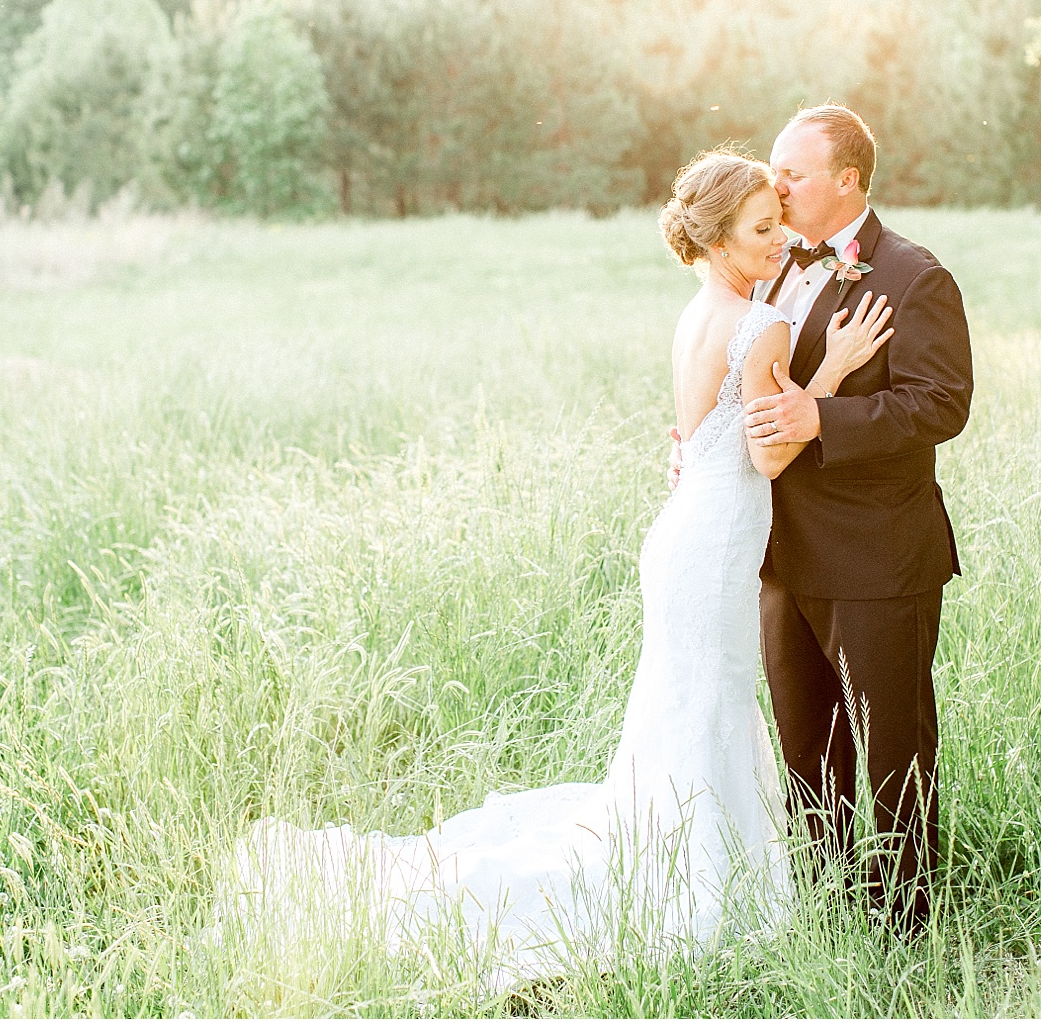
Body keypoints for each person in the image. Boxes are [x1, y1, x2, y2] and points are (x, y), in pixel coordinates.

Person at [223, 150, 894, 989]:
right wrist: (831, 367)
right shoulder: (760, 327)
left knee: (694, 702)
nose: (778, 241)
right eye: (760, 230)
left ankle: (695, 856)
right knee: (707, 701)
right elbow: (769, 448)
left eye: (777, 225)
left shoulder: (702, 311)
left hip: (685, 536)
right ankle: (697, 882)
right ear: (718, 237)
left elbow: (698, 439)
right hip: (717, 540)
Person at [742, 104, 974, 934]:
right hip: (784, 554)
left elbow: (941, 403)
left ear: (849, 180)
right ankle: (831, 905)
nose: (775, 185)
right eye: (773, 168)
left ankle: (910, 924)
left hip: (879, 558)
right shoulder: (771, 263)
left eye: (793, 173)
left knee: (893, 751)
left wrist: (822, 421)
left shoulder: (917, 277)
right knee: (806, 745)